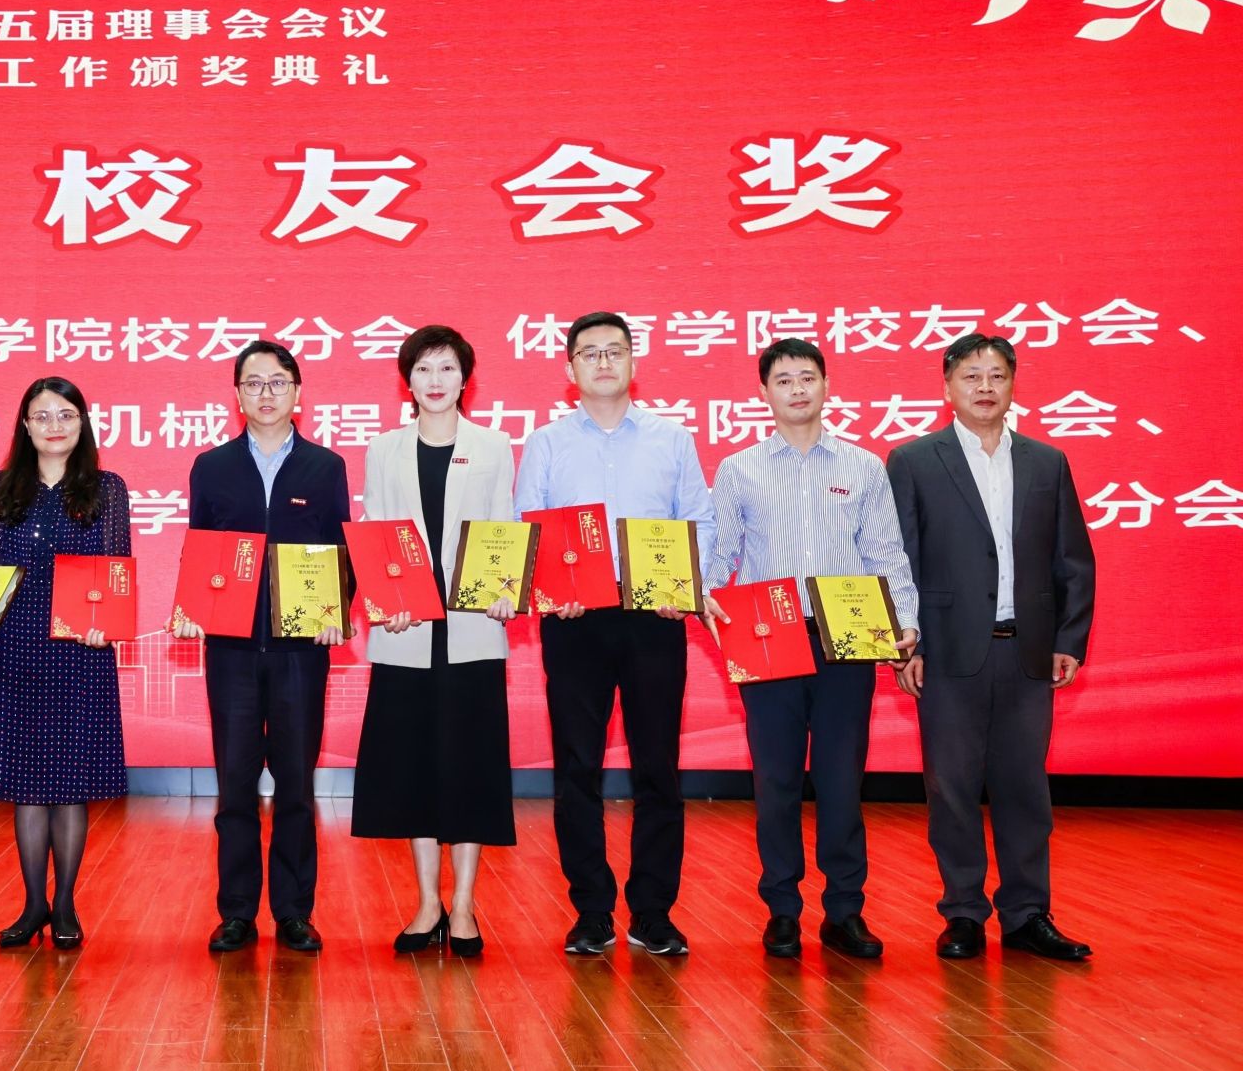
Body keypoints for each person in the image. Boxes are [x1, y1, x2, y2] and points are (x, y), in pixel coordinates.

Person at [705, 338, 918, 960]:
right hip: (767, 635)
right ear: (764, 392)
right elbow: (721, 556)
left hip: (846, 635)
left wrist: (905, 624)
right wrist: (707, 599)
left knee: (841, 780)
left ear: (826, 385)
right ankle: (782, 910)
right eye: (783, 380)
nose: (797, 389)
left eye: (807, 377)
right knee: (775, 781)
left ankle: (845, 911)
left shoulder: (863, 466)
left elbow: (886, 553)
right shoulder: (739, 469)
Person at [888, 333, 1097, 961]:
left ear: (1013, 384)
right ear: (947, 387)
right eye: (972, 376)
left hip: (1027, 651)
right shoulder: (913, 460)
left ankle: (1028, 914)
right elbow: (898, 559)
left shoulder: (1046, 462)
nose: (985, 387)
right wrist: (906, 645)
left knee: (1024, 788)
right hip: (947, 650)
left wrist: (1068, 638)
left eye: (997, 375)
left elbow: (1072, 557)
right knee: (951, 789)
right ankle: (963, 913)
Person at [514, 311, 716, 958]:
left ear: (633, 361)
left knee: (659, 767)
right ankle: (592, 911)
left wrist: (686, 589)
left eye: (615, 350)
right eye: (590, 352)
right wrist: (552, 589)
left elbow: (699, 521)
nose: (603, 361)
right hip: (575, 621)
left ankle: (653, 912)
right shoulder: (546, 442)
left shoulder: (671, 439)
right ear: (569, 368)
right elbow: (527, 526)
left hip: (655, 617)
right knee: (578, 768)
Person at [0, 377, 130, 950]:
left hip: (78, 650)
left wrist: (107, 623)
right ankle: (33, 905)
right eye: (41, 416)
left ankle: (65, 904)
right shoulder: (2, 487)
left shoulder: (107, 489)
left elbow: (116, 569)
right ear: (24, 425)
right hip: (15, 647)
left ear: (82, 423)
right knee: (27, 786)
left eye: (65, 414)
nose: (54, 426)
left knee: (69, 785)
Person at [177, 340, 352, 956]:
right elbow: (200, 549)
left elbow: (340, 548)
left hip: (301, 649)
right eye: (253, 383)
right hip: (230, 649)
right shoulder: (212, 466)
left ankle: (294, 912)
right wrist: (194, 608)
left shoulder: (325, 466)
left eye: (278, 382)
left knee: (297, 785)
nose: (266, 393)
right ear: (237, 395)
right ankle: (237, 912)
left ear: (297, 392)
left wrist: (336, 612)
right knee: (235, 785)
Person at [352, 325, 518, 958]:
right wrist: (380, 600)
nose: (436, 380)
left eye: (447, 368)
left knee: (471, 766)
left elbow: (503, 525)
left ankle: (466, 904)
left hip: (474, 629)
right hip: (407, 630)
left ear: (465, 378)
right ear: (408, 381)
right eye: (423, 369)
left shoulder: (493, 445)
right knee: (413, 766)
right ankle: (427, 902)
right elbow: (376, 530)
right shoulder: (384, 449)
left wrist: (505, 588)